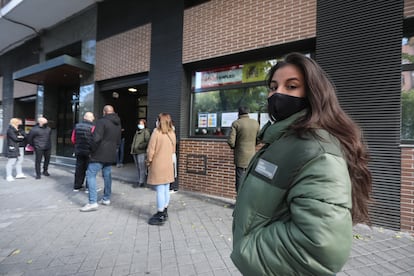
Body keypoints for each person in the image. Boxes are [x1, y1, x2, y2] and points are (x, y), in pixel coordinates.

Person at [231, 52, 372, 275]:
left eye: (292, 86)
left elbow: (320, 248)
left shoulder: (316, 149)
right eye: (273, 86)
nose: (278, 94)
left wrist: (247, 248)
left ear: (313, 93)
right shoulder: (283, 139)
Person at [80, 105, 121, 212]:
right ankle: (106, 198)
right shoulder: (117, 123)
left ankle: (92, 202)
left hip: (99, 154)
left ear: (104, 112)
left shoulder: (101, 122)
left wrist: (92, 151)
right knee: (107, 175)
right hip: (111, 154)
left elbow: (96, 139)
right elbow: (118, 140)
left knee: (90, 174)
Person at [146, 113, 176, 225]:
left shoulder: (156, 133)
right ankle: (165, 210)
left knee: (159, 189)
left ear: (160, 121)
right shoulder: (172, 133)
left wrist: (148, 161)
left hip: (158, 165)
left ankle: (160, 213)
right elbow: (173, 150)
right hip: (168, 165)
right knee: (166, 188)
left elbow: (150, 150)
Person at [227, 106, 260, 193]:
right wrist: (253, 145)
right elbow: (259, 139)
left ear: (239, 113)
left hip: (240, 156)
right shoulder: (255, 123)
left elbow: (231, 141)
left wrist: (235, 147)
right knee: (250, 177)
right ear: (248, 112)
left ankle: (238, 200)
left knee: (239, 178)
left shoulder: (236, 123)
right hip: (252, 155)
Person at [71, 112, 95, 192]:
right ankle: (88, 188)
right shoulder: (93, 127)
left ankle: (77, 186)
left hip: (79, 151)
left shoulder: (77, 126)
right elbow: (94, 140)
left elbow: (73, 139)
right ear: (90, 118)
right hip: (89, 152)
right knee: (90, 170)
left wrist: (78, 145)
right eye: (92, 117)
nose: (94, 118)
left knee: (79, 169)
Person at [130, 119, 151, 188]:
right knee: (138, 167)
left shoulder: (146, 132)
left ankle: (141, 181)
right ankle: (139, 180)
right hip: (135, 151)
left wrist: (140, 146)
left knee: (142, 167)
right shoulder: (137, 132)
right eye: (139, 123)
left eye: (142, 124)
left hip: (141, 152)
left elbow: (147, 141)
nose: (140, 125)